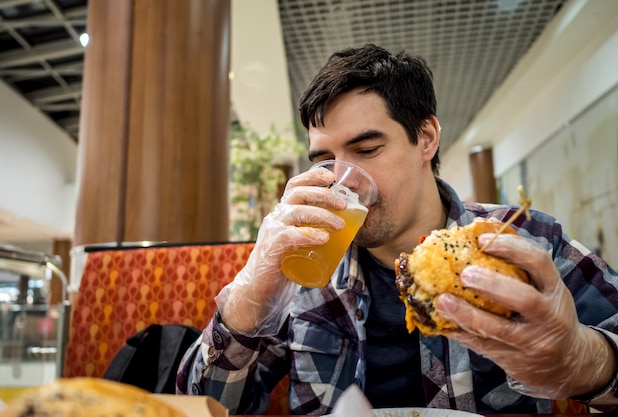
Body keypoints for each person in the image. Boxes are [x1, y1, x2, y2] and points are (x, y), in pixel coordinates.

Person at [176, 43, 618, 414]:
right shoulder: (306, 271)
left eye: (366, 149)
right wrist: (248, 301)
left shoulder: (522, 241)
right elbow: (204, 408)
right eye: (325, 162)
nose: (342, 182)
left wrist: (584, 361)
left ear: (426, 138)